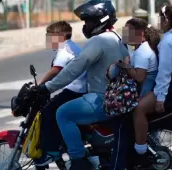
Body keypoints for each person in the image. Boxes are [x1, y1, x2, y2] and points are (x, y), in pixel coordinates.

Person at [34, 1, 129, 169]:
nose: (85, 26)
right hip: (116, 97)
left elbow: (75, 69)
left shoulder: (98, 41)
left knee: (62, 113)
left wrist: (48, 87)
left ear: (101, 20)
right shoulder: (117, 38)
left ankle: (79, 160)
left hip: (102, 99)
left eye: (88, 22)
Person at [132, 5, 172, 166]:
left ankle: (140, 152)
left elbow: (164, 73)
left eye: (161, 18)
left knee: (138, 109)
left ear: (166, 20)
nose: (159, 22)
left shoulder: (168, 41)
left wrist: (160, 98)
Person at [108, 17, 161, 169]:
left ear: (141, 35)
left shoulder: (143, 51)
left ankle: (139, 152)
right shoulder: (138, 49)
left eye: (129, 31)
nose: (125, 34)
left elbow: (139, 76)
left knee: (126, 120)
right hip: (144, 89)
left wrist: (124, 66)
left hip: (146, 91)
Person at [32, 21, 88, 166]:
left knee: (48, 112)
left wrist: (38, 86)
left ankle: (52, 150)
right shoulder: (72, 47)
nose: (48, 40)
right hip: (79, 89)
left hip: (75, 90)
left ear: (61, 36)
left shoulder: (65, 50)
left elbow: (55, 70)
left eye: (51, 36)